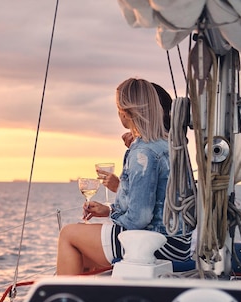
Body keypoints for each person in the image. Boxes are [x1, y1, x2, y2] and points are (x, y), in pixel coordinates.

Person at [56, 78, 191, 275]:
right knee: (83, 252)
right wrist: (108, 211)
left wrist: (113, 215)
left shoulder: (143, 152)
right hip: (178, 242)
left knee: (68, 235)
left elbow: (139, 218)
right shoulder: (170, 144)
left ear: (125, 112)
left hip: (156, 244)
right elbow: (149, 202)